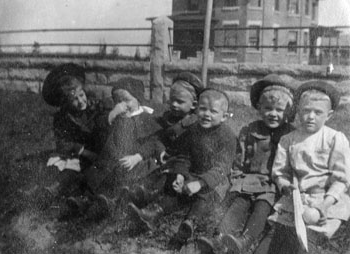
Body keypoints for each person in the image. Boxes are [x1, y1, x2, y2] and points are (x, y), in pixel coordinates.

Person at [197, 74, 296, 254]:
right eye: (268, 108)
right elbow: (240, 155)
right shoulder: (251, 129)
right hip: (249, 178)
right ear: (259, 108)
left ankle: (245, 239)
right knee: (239, 204)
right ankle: (218, 237)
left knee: (262, 206)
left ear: (287, 112)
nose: (273, 114)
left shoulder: (291, 134)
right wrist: (236, 176)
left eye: (279, 110)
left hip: (273, 184)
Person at [128, 88, 237, 251]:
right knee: (174, 189)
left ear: (224, 116)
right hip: (194, 174)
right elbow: (185, 156)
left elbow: (222, 167)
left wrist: (200, 183)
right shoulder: (194, 130)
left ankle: (190, 223)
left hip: (215, 180)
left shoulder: (227, 136)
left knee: (204, 197)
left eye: (213, 111)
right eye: (203, 109)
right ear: (196, 109)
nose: (206, 114)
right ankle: (153, 214)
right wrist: (180, 174)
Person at [257, 80, 350, 254]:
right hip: (296, 199)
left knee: (308, 242)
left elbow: (341, 179)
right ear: (298, 111)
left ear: (328, 115)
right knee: (278, 240)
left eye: (318, 112)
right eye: (306, 111)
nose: (311, 117)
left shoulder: (335, 139)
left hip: (325, 201)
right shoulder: (289, 139)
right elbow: (280, 172)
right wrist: (285, 186)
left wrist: (324, 205)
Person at [80, 77, 164, 220]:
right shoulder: (116, 117)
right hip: (113, 160)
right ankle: (91, 201)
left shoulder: (144, 118)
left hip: (135, 162)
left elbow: (152, 143)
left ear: (138, 99)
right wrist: (112, 114)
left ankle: (118, 204)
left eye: (127, 100)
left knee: (130, 183)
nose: (122, 105)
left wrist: (138, 157)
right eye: (117, 101)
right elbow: (96, 129)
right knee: (99, 178)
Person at [122, 72, 202, 209]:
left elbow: (192, 153)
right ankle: (132, 193)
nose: (174, 105)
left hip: (184, 166)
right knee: (147, 169)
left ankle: (148, 199)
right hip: (166, 159)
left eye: (180, 102)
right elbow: (157, 138)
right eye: (172, 100)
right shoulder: (167, 118)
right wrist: (160, 150)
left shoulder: (195, 125)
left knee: (167, 178)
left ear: (194, 105)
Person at [40, 63, 107, 201]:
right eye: (74, 100)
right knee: (68, 167)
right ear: (66, 103)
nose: (81, 101)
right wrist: (82, 151)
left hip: (98, 150)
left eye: (82, 95)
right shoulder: (62, 118)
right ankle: (52, 190)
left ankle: (79, 194)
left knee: (92, 172)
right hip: (79, 152)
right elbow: (62, 142)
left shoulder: (95, 107)